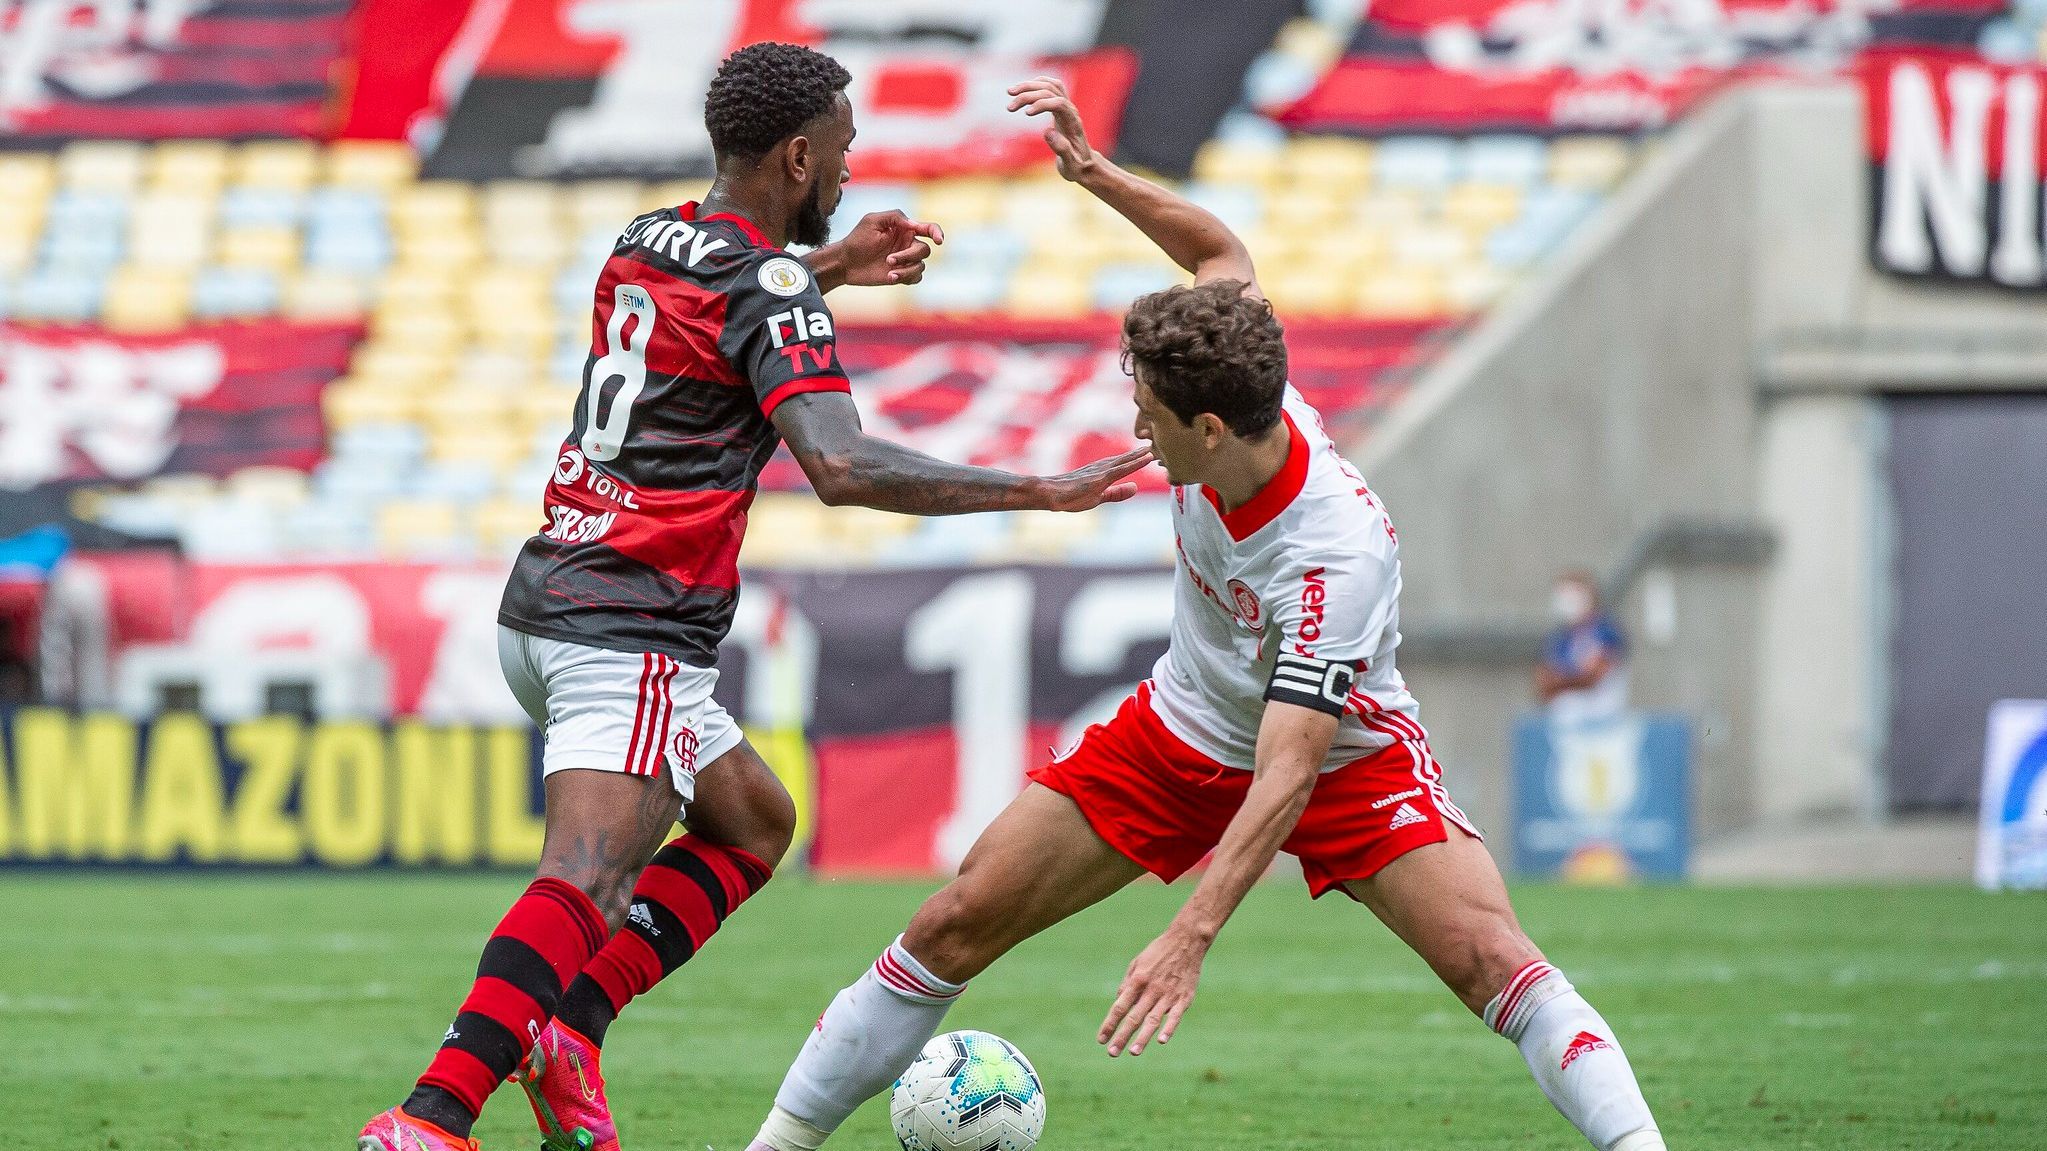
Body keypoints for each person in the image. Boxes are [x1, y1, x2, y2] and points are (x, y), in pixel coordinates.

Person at [738, 78, 1670, 1151]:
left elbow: (1287, 769)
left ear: (1213, 429)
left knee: (1491, 961)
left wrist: (1189, 933)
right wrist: (1096, 175)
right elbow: (1219, 251)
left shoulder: (1334, 552)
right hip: (1183, 724)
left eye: (1149, 411)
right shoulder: (1236, 360)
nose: (1136, 423)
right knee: (954, 919)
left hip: (1338, 755)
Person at [356, 45, 1152, 1151]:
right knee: (588, 877)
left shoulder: (648, 238)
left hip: (548, 597)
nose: (851, 167)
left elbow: (723, 308)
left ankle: (568, 1031)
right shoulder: (770, 288)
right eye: (843, 148)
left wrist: (826, 268)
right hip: (629, 619)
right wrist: (1036, 488)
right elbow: (842, 465)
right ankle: (432, 1114)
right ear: (798, 156)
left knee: (752, 821)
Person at [1537, 571, 1630, 726]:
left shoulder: (1605, 632)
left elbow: (1593, 676)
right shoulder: (1561, 639)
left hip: (1604, 715)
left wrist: (1562, 681)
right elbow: (1544, 682)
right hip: (1566, 717)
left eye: (1570, 597)